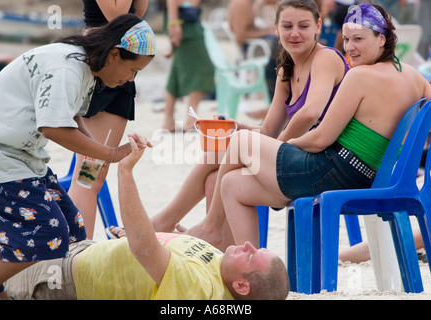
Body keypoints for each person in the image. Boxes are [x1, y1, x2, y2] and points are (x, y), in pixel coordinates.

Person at [178, 2, 431, 250]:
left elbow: (321, 139)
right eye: (347, 39)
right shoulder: (414, 77)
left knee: (240, 142)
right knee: (232, 183)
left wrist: (280, 147)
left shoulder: (360, 76)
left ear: (382, 39)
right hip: (371, 177)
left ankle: (210, 227)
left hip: (336, 172)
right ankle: (249, 265)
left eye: (359, 39)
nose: (350, 48)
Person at [0, 135, 289, 300]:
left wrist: (125, 171)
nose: (249, 245)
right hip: (85, 248)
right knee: (3, 255)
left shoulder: (200, 288)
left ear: (243, 287)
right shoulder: (222, 267)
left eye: (252, 256)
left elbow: (145, 251)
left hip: (64, 275)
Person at [0, 13, 156, 300]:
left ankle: (11, 287)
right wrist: (110, 154)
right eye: (133, 70)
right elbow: (53, 128)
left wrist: (98, 153)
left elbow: (70, 115)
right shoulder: (68, 68)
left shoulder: (84, 66)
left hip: (22, 157)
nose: (130, 79)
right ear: (114, 55)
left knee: (74, 230)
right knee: (44, 237)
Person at [151, 0, 349, 238]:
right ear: (276, 29)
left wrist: (276, 148)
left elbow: (310, 113)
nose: (294, 33)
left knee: (234, 147)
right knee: (219, 170)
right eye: (287, 26)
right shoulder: (286, 71)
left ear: (318, 27)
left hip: (325, 163)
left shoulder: (325, 58)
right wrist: (239, 127)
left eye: (303, 26)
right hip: (300, 157)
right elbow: (268, 131)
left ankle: (191, 224)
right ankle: (226, 251)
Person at [68, 0, 149, 239]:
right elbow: (117, 15)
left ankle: (79, 249)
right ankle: (78, 251)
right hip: (102, 64)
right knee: (88, 175)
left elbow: (137, 15)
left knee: (95, 174)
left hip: (122, 70)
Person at [160, 0, 215, 132]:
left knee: (178, 70)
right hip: (184, 23)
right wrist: (174, 22)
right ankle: (190, 119)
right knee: (203, 68)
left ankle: (169, 119)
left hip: (186, 21)